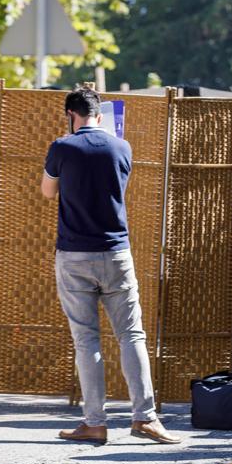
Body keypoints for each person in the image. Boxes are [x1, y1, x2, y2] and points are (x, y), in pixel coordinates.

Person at [41, 87, 179, 444]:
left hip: (74, 255)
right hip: (116, 253)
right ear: (99, 115)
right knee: (132, 335)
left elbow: (47, 191)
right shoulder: (122, 147)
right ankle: (145, 418)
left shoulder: (62, 147)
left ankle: (95, 423)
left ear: (70, 115)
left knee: (87, 339)